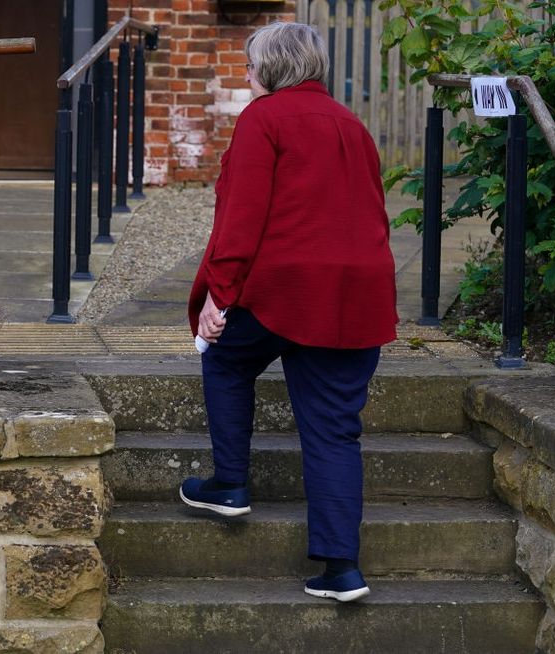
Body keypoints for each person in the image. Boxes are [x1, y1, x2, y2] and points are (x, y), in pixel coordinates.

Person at [180, 21, 398, 603]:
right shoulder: (353, 126)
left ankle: (229, 484)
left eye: (250, 67)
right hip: (356, 295)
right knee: (333, 431)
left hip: (285, 289)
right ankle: (341, 570)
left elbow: (240, 219)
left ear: (272, 70)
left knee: (224, 358)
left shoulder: (264, 119)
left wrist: (217, 299)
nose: (245, 77)